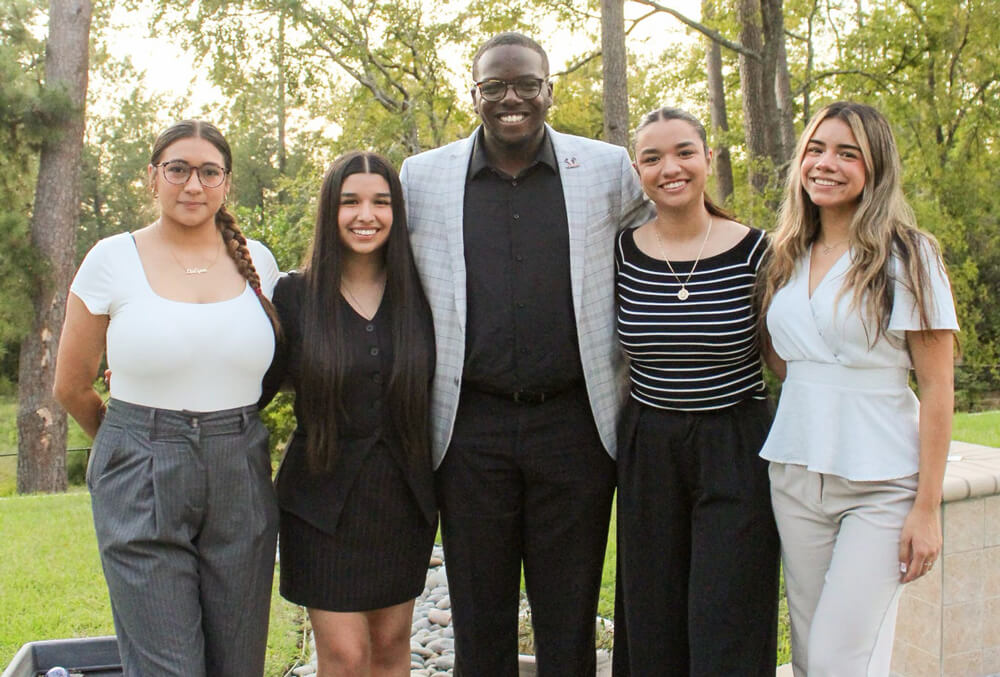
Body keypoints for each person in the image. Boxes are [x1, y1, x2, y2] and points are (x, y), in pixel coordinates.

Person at [398, 31, 650, 675]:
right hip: (468, 429)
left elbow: (663, 241)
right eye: (495, 87)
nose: (511, 98)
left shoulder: (606, 167)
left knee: (568, 618)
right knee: (480, 623)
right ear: (474, 93)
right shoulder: (423, 178)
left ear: (549, 89)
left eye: (526, 84)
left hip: (575, 425)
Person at [52, 120, 281, 676]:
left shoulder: (262, 264)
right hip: (140, 465)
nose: (193, 185)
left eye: (209, 171)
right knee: (166, 667)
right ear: (153, 177)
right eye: (177, 169)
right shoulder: (111, 259)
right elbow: (71, 385)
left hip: (240, 466)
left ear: (226, 182)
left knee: (238, 661)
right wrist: (129, 446)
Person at [758, 101, 958, 676]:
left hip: (882, 486)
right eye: (817, 150)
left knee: (837, 659)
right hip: (796, 476)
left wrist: (927, 508)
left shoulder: (910, 255)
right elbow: (786, 360)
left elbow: (940, 388)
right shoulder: (784, 255)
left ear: (876, 168)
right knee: (807, 653)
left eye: (848, 153)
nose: (827, 164)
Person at [612, 106, 779, 675]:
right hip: (649, 444)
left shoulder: (760, 250)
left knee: (726, 611)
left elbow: (786, 357)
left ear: (709, 158)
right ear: (638, 171)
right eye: (652, 158)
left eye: (684, 152)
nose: (670, 168)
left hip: (735, 441)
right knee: (652, 611)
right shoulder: (621, 252)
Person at [259, 151, 437, 675]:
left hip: (403, 501)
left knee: (390, 647)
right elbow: (252, 380)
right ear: (329, 212)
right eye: (350, 201)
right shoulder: (294, 295)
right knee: (344, 655)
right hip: (320, 504)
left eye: (381, 202)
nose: (367, 214)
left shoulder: (421, 293)